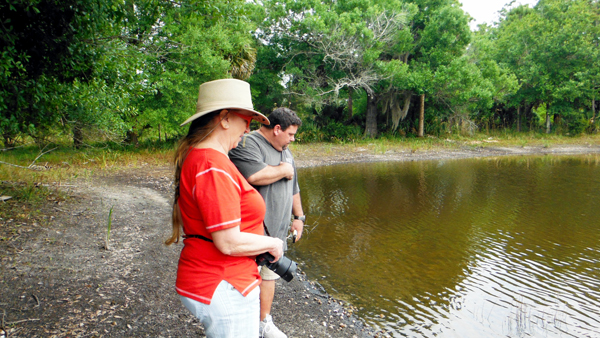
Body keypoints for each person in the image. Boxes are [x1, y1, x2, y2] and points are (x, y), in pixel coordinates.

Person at [165, 78, 284, 338]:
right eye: (246, 120)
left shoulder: (205, 158)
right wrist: (272, 244)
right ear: (225, 118)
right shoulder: (211, 164)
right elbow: (228, 241)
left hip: (222, 279)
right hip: (223, 281)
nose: (248, 129)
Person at [229, 107, 305, 338]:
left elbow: (294, 188)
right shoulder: (248, 144)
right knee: (243, 278)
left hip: (278, 231)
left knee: (269, 276)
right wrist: (283, 170)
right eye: (290, 134)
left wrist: (299, 217)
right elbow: (254, 175)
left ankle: (264, 322)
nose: (292, 139)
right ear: (277, 129)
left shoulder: (286, 151)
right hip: (250, 230)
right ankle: (237, 322)